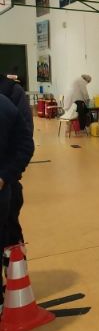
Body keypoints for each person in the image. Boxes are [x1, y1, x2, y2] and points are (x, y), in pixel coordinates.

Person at [0, 93, 34, 316]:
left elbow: (24, 142)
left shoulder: (7, 100)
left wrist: (5, 176)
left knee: (10, 237)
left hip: (6, 191)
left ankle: (12, 286)